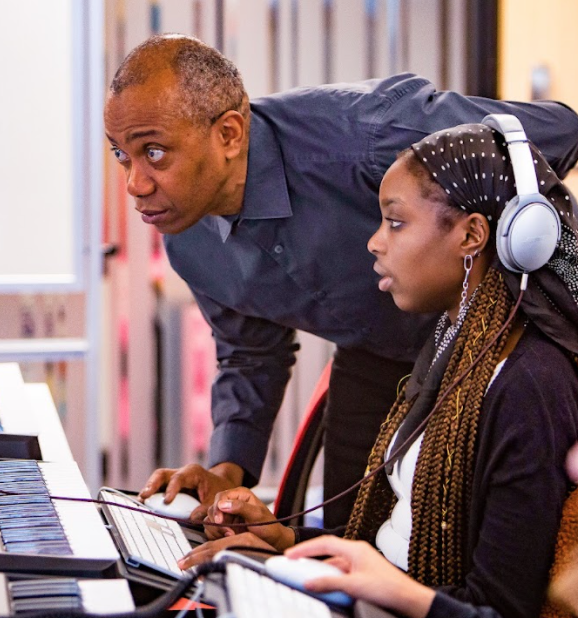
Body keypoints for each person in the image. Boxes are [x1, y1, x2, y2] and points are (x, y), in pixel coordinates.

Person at [104, 34, 578, 528]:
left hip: (501, 348)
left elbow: (561, 134)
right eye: (121, 155)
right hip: (379, 355)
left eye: (154, 152)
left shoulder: (366, 134)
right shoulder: (186, 237)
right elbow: (250, 352)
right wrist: (227, 471)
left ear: (228, 135)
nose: (135, 184)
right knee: (348, 538)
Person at [176, 122, 578, 618]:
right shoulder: (453, 347)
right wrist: (282, 542)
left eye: (396, 222)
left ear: (471, 235)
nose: (374, 242)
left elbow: (500, 609)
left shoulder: (530, 387)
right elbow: (394, 549)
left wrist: (370, 587)